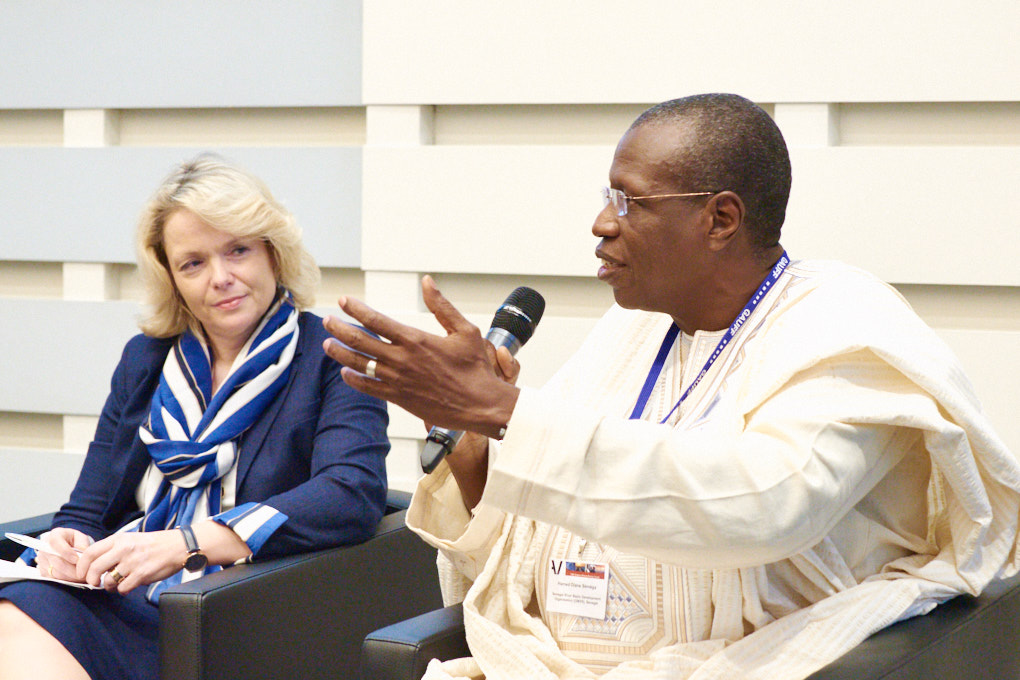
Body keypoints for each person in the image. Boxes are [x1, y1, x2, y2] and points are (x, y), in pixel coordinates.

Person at [320, 93, 1020, 679]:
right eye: (607, 198)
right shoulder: (632, 331)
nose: (601, 224)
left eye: (628, 201)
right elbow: (526, 542)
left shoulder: (844, 327)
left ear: (721, 219)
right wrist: (477, 447)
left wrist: (504, 410)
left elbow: (764, 504)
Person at [0, 155, 390, 680]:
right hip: (127, 596)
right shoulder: (146, 360)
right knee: (18, 608)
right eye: (193, 264)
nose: (221, 278)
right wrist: (68, 543)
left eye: (238, 250)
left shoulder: (334, 354)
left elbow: (350, 494)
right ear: (172, 279)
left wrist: (185, 544)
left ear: (273, 253)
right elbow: (88, 510)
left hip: (246, 609)